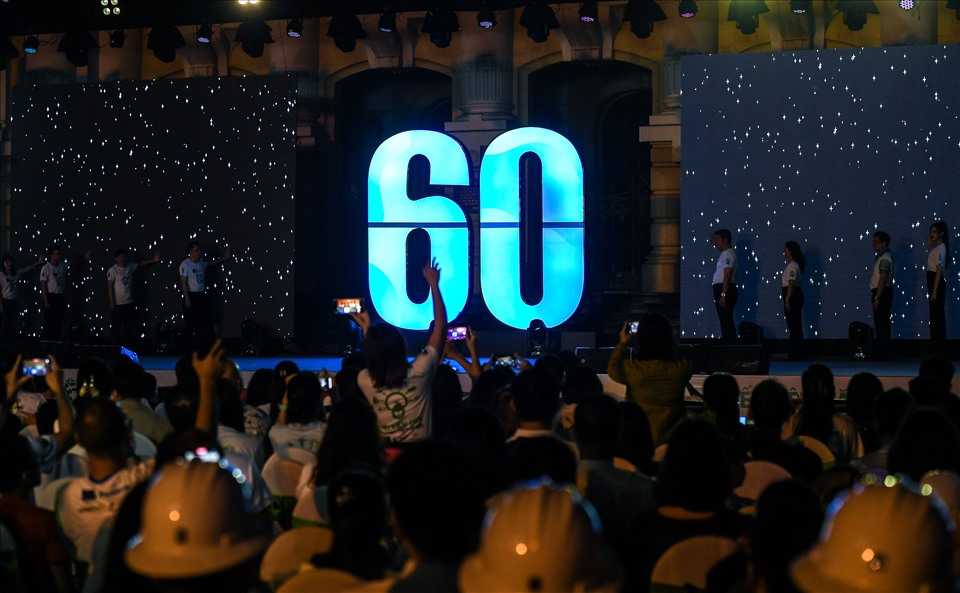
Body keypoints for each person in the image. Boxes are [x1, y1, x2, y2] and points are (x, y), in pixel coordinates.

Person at [351, 259, 447, 443]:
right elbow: (440, 329)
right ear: (401, 347)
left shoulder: (365, 380)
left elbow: (377, 353)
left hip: (386, 458)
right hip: (420, 457)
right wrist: (434, 285)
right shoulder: (420, 371)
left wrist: (367, 329)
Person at [607, 313, 692, 447]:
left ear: (640, 339)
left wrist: (622, 343)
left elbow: (612, 369)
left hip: (639, 440)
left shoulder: (633, 369)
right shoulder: (680, 368)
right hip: (673, 442)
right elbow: (682, 359)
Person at [178, 241, 231, 340]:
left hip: (201, 296)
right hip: (191, 296)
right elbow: (183, 282)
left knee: (202, 321)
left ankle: (200, 343)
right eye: (196, 250)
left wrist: (224, 258)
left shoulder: (201, 263)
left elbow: (211, 264)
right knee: (189, 322)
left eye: (200, 250)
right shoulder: (185, 264)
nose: (199, 252)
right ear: (190, 251)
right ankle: (189, 344)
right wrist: (187, 298)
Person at [106, 248, 161, 340]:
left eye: (124, 256)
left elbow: (140, 264)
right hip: (117, 305)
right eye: (120, 257)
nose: (122, 258)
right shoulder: (112, 270)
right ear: (116, 258)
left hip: (129, 303)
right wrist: (112, 303)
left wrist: (154, 260)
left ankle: (128, 346)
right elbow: (109, 287)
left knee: (129, 327)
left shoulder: (129, 267)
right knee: (116, 327)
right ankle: (113, 346)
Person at [1, 253, 44, 340]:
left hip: (14, 301)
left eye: (10, 262)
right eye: (6, 262)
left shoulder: (16, 273)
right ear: (3, 264)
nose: (9, 264)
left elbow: (26, 269)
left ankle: (11, 340)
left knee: (14, 322)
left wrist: (38, 263)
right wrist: (1, 305)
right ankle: (4, 341)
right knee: (6, 322)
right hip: (5, 301)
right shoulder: (1, 275)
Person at [710, 228, 738, 341]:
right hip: (723, 288)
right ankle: (728, 343)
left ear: (725, 240)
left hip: (724, 289)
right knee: (724, 319)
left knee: (726, 320)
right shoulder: (725, 254)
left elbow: (727, 275)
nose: (715, 243)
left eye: (718, 240)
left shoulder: (728, 254)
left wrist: (723, 295)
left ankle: (730, 345)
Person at [869, 231, 894, 359]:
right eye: (873, 241)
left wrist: (877, 297)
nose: (874, 244)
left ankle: (884, 352)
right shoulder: (881, 257)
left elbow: (882, 279)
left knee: (882, 323)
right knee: (880, 323)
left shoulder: (884, 259)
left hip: (882, 293)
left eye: (877, 242)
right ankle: (883, 351)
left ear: (884, 243)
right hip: (881, 292)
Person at [926, 221, 950, 344]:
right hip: (933, 280)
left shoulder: (941, 248)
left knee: (937, 315)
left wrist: (934, 291)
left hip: (936, 281)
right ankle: (936, 344)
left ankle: (939, 346)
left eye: (935, 232)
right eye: (931, 232)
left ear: (941, 233)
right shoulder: (937, 247)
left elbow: (939, 270)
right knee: (935, 315)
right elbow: (929, 243)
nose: (932, 234)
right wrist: (931, 238)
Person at [782, 240, 806, 359]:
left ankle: (796, 351)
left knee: (794, 324)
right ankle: (797, 350)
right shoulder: (794, 264)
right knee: (794, 324)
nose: (784, 252)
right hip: (794, 294)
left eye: (786, 249)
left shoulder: (792, 265)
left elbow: (791, 283)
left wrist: (787, 299)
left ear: (790, 251)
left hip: (792, 294)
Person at [39, 245, 68, 340]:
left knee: (59, 322)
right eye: (57, 254)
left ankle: (56, 343)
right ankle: (46, 344)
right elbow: (43, 285)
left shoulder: (62, 265)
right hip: (50, 297)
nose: (60, 256)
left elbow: (74, 264)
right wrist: (46, 300)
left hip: (60, 297)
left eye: (60, 254)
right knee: (49, 322)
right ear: (52, 255)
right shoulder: (46, 268)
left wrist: (84, 259)